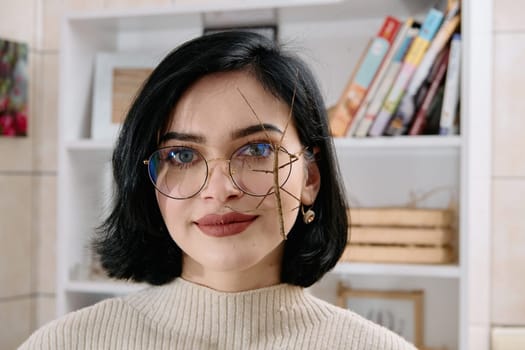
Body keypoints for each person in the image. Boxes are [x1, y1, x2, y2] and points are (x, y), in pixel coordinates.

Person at [19, 31, 416, 350]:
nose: (220, 189)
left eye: (257, 150)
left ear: (311, 177)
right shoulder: (65, 343)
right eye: (181, 156)